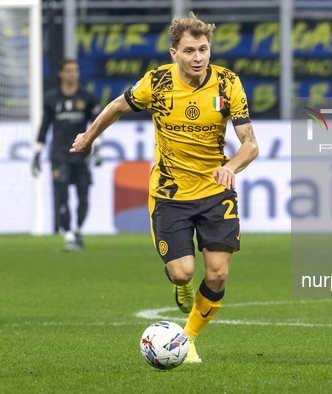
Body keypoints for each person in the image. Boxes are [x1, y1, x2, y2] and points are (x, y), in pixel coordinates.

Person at [70, 13, 258, 363]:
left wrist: (230, 167)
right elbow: (116, 106)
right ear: (175, 54)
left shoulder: (227, 83)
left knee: (217, 273)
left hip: (215, 192)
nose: (198, 57)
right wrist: (88, 137)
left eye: (203, 49)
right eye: (189, 51)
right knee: (182, 271)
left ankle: (185, 339)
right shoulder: (156, 83)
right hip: (170, 193)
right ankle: (181, 286)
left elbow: (250, 144)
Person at [32, 59, 102, 250]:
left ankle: (78, 229)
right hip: (59, 156)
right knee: (61, 196)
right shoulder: (51, 99)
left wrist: (98, 148)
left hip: (82, 155)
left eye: (76, 70)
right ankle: (69, 234)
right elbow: (44, 126)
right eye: (69, 70)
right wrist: (37, 154)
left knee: (84, 199)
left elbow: (97, 125)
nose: (73, 74)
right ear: (61, 73)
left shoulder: (87, 98)